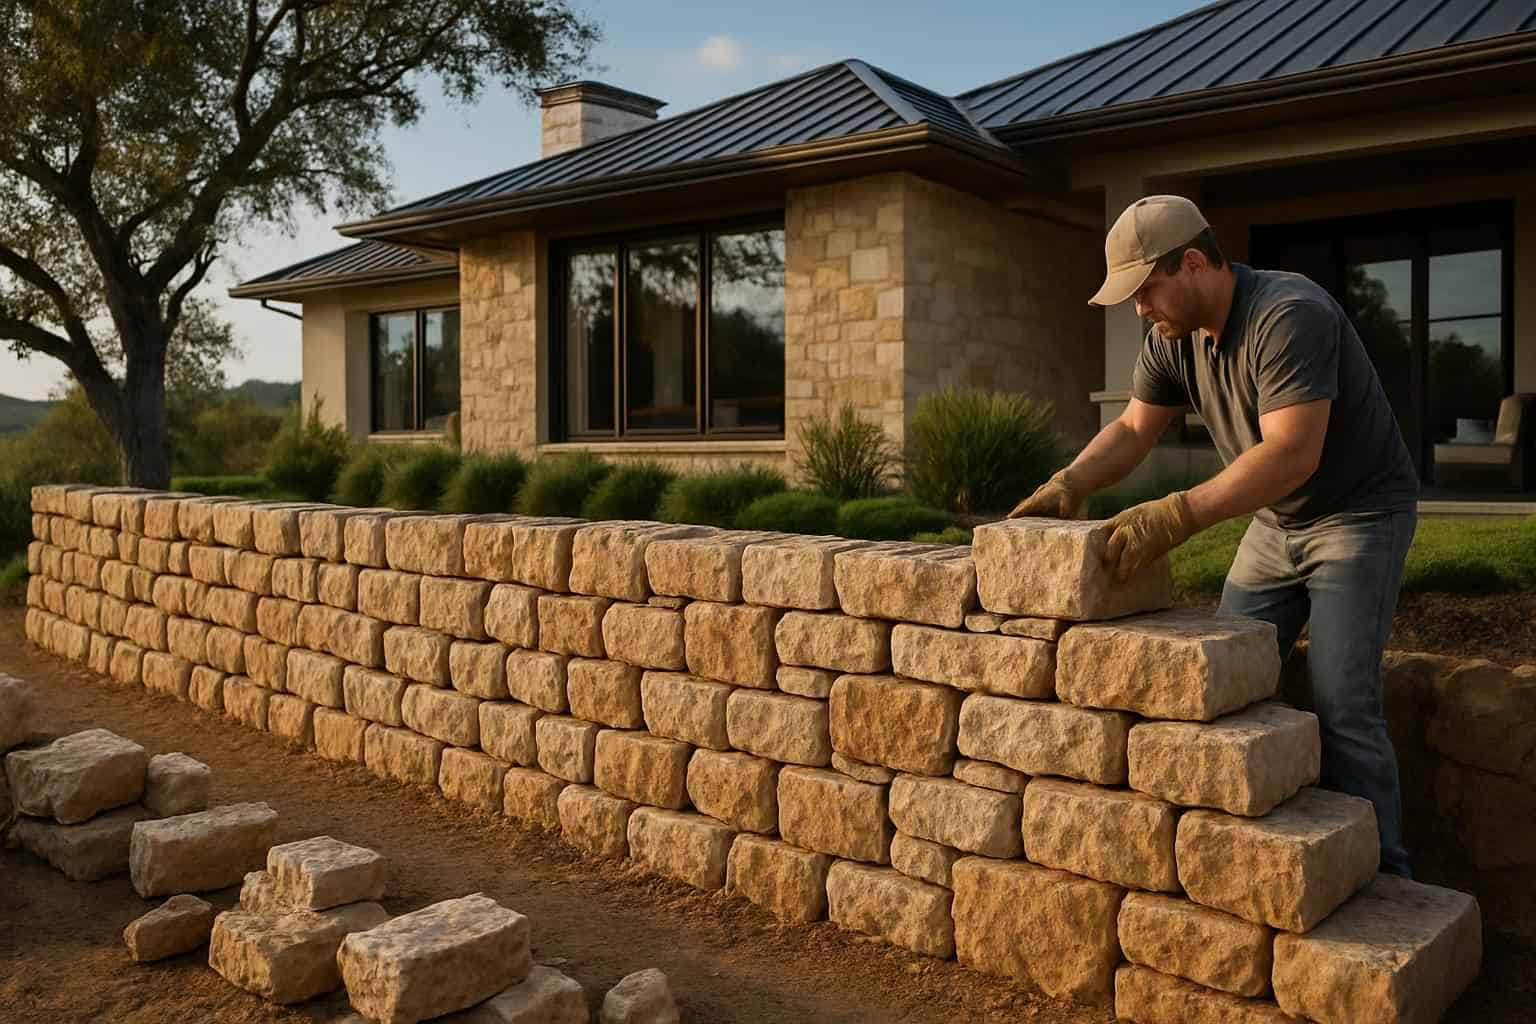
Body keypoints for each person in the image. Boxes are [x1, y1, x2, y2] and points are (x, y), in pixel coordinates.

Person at [1010, 195, 1420, 876]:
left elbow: (1292, 454)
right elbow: (1135, 429)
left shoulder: (1290, 314)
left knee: (1343, 703)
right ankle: (1263, 858)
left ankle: (1385, 878)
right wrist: (1071, 482)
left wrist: (1175, 515)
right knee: (1226, 682)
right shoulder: (1173, 337)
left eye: (1146, 291)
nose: (1140, 310)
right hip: (1275, 520)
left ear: (1193, 263)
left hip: (1357, 515)